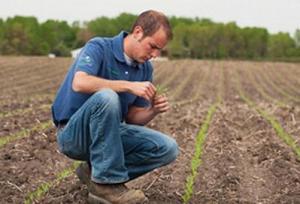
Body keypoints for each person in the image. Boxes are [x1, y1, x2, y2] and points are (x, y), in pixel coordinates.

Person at [52, 10, 179, 204]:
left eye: (159, 50)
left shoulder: (145, 69)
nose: (154, 55)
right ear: (137, 32)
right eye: (152, 46)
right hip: (73, 134)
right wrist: (128, 85)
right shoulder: (99, 47)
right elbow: (80, 82)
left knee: (167, 148)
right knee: (107, 97)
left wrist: (152, 110)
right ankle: (106, 186)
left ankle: (95, 172)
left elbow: (132, 117)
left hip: (107, 137)